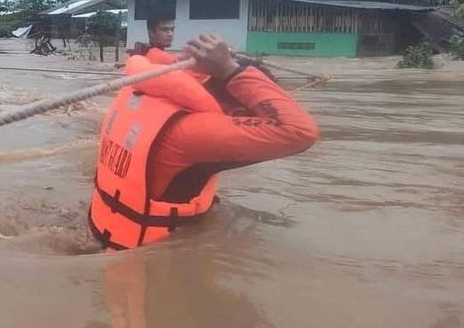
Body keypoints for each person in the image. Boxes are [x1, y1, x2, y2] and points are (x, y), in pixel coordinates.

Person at [88, 33, 320, 251]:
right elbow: (298, 131)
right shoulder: (192, 133)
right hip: (152, 257)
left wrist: (224, 66)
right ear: (239, 111)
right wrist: (230, 70)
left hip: (105, 231)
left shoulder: (152, 99)